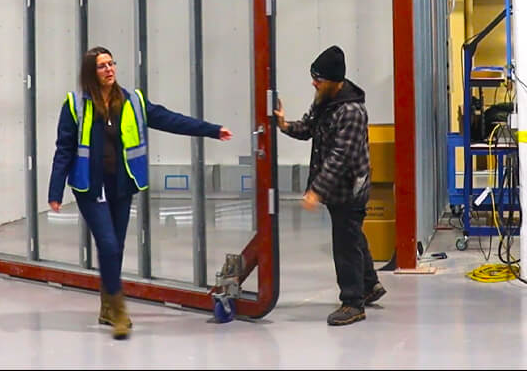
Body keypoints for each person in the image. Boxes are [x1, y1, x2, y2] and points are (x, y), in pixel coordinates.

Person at [48, 46, 233, 340]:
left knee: (116, 247)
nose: (109, 69)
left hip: (121, 184)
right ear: (90, 72)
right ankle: (119, 310)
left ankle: (107, 306)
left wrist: (211, 130)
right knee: (108, 245)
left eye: (111, 63)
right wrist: (55, 190)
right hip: (90, 187)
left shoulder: (133, 100)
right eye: (102, 66)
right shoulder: (76, 104)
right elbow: (64, 149)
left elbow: (170, 120)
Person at [273, 45, 386, 327]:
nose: (314, 83)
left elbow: (339, 158)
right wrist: (284, 125)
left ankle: (353, 303)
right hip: (337, 188)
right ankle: (370, 285)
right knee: (353, 234)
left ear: (335, 81)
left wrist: (316, 190)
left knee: (345, 243)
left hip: (350, 188)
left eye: (318, 78)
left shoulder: (351, 112)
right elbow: (309, 128)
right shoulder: (325, 100)